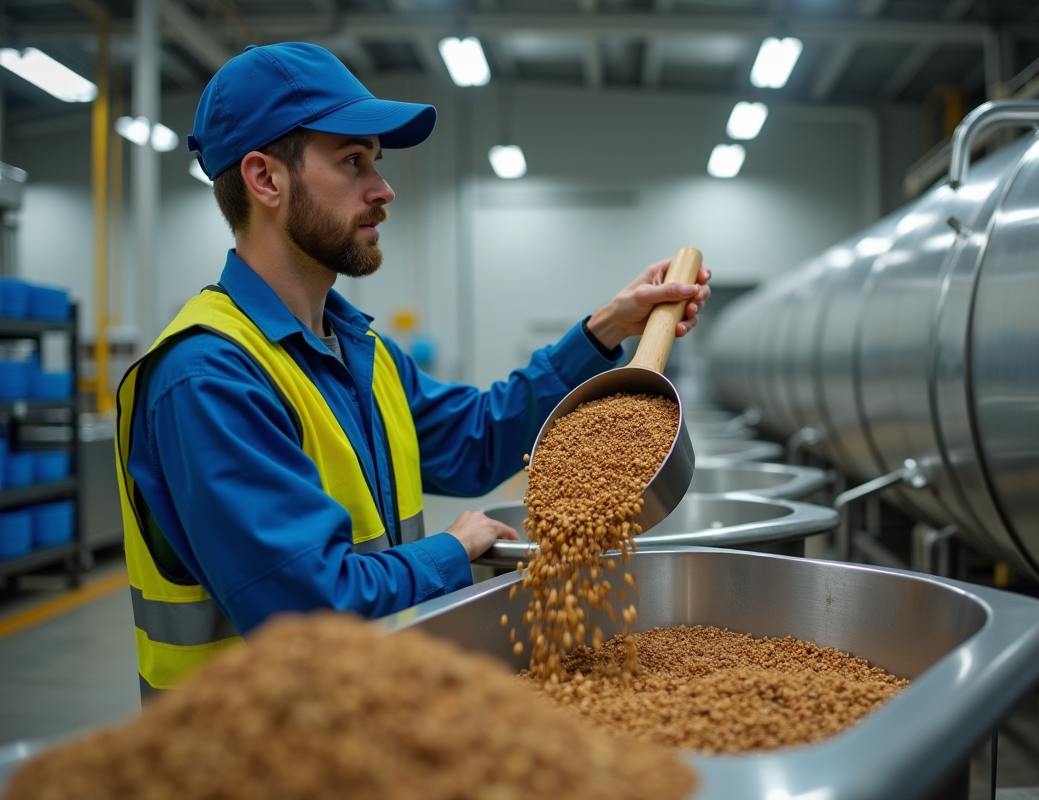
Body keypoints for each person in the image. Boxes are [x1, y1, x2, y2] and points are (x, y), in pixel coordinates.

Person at [115, 42, 711, 700]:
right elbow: (308, 610)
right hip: (255, 744)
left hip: (363, 721)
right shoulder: (208, 377)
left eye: (376, 161)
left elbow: (474, 442)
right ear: (266, 179)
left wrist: (607, 329)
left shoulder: (359, 350)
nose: (383, 189)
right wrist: (451, 551)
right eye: (353, 161)